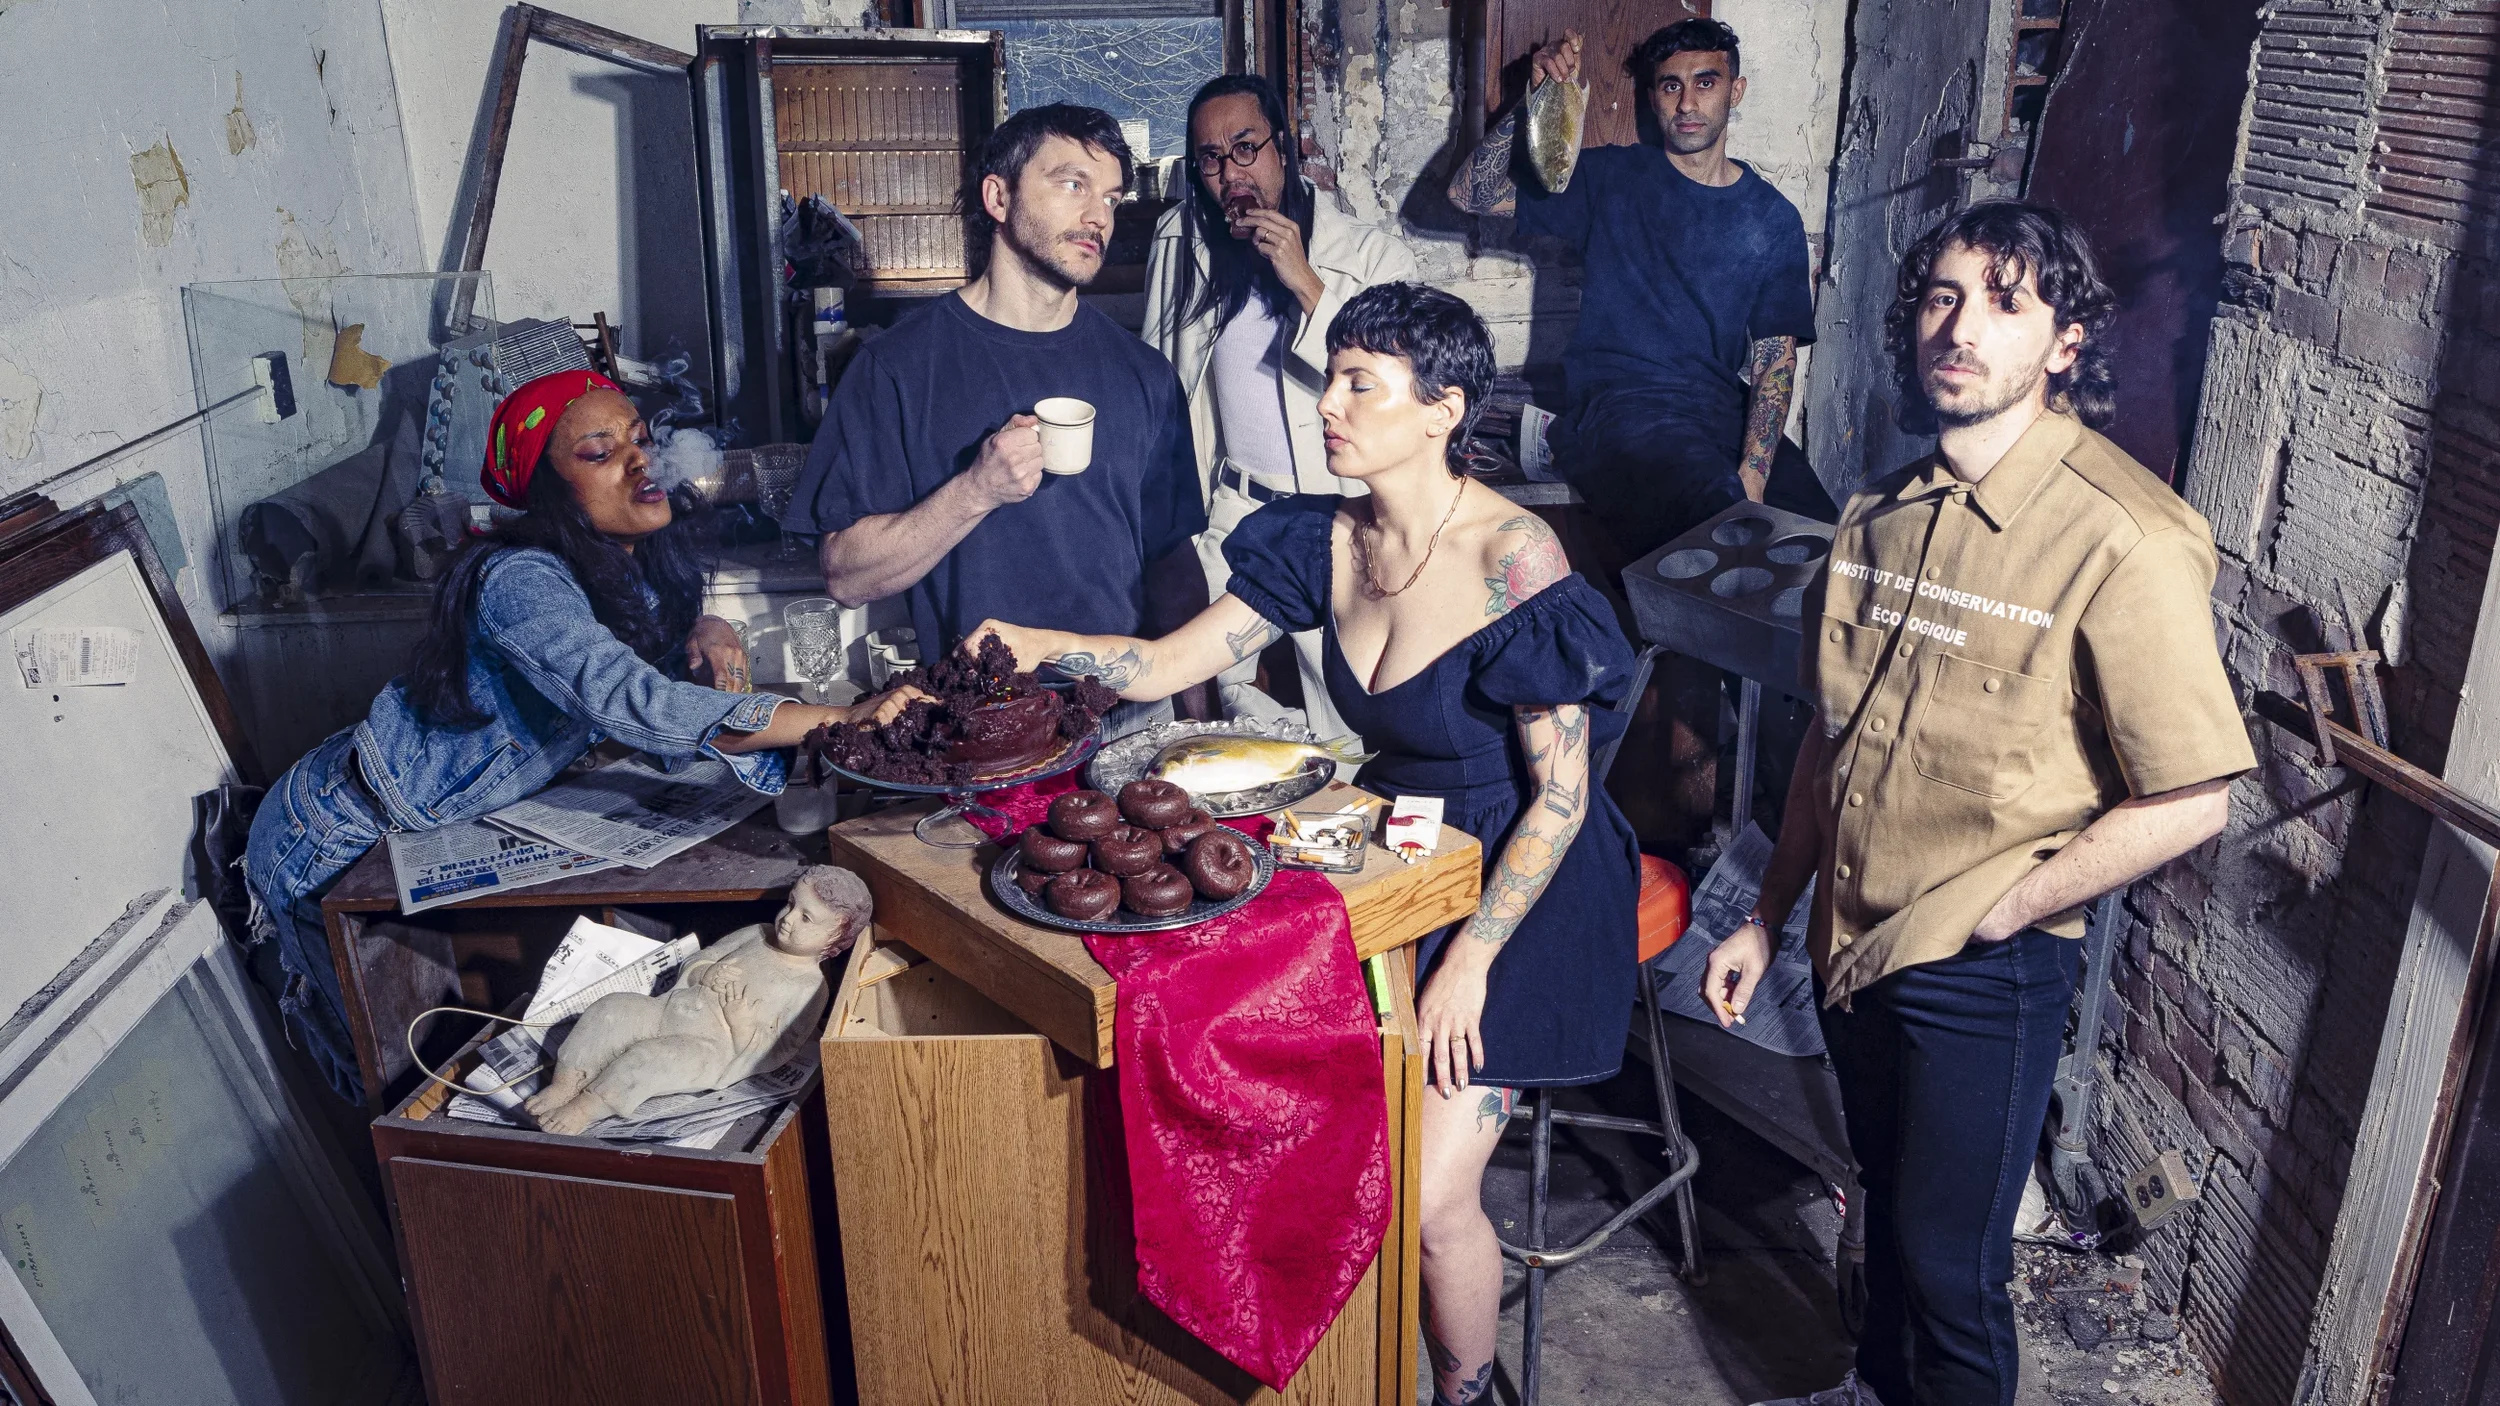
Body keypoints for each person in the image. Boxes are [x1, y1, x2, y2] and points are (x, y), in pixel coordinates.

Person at [971, 283, 1642, 1406]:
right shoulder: (1318, 537)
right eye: (1330, 373)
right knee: (1308, 1116)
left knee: (1428, 1197)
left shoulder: (1514, 556)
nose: (1326, 402)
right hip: (1397, 846)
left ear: (1441, 410)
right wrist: (1036, 644)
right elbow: (1160, 661)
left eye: (1358, 383)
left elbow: (1562, 799)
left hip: (1522, 881)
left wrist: (1469, 961)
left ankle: (1470, 1392)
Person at [1703, 204, 2255, 1406]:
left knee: (1953, 1272)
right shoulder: (1875, 514)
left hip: (1981, 963)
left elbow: (2194, 798)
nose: (1960, 327)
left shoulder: (2124, 536)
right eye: (1943, 297)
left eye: (2005, 301)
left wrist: (2010, 909)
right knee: (1886, 1217)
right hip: (1851, 937)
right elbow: (1829, 740)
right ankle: (1871, 1389)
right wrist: (1766, 908)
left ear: (2064, 343)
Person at [243, 371, 920, 1104]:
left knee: (438, 1058)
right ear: (550, 492)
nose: (641, 461)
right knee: (381, 1083)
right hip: (333, 833)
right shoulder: (519, 579)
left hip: (417, 833)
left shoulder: (630, 571)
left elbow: (662, 726)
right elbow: (635, 703)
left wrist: (708, 630)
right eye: (600, 454)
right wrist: (837, 719)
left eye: (640, 438)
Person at [783, 103, 1207, 740]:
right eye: (1073, 185)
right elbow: (846, 574)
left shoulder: (1145, 376)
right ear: (999, 197)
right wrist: (975, 491)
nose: (1099, 216)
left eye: (1112, 198)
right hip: (974, 725)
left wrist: (1201, 720)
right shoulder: (894, 369)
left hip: (1125, 720)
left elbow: (1172, 565)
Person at [1446, 17, 1822, 560]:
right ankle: (1669, 644)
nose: (1687, 103)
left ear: (1735, 90)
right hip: (1619, 407)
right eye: (1671, 85)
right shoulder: (1613, 179)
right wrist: (1537, 97)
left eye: (1706, 82)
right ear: (1653, 96)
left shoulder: (1772, 218)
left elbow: (1775, 360)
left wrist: (1755, 472)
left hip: (1718, 408)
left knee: (1828, 535)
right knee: (1717, 518)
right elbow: (1469, 194)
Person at [1143, 72, 1416, 742]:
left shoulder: (1372, 256)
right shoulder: (1181, 242)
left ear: (1283, 150)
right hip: (1235, 512)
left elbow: (1401, 391)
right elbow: (1155, 380)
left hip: (1341, 515)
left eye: (1246, 149)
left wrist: (1305, 282)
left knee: (1354, 726)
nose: (1230, 173)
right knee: (1184, 704)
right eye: (1209, 158)